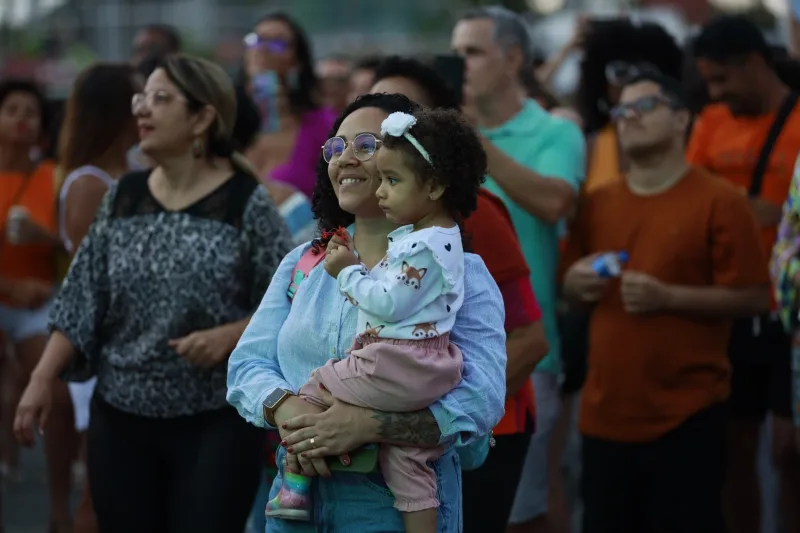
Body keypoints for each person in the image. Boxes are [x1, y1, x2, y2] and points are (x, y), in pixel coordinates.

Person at [14, 54, 294, 533]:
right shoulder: (123, 196)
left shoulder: (245, 202)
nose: (142, 109)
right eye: (140, 98)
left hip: (215, 422)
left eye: (160, 99)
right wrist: (42, 377)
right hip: (120, 418)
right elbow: (82, 294)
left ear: (202, 117)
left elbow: (293, 297)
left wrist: (232, 334)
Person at [227, 93, 507, 533]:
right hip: (295, 496)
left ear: (420, 169)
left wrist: (370, 425)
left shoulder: (461, 273)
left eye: (366, 145)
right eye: (336, 148)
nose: (346, 159)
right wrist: (294, 413)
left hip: (395, 504)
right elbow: (247, 364)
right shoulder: (305, 261)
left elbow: (482, 397)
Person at [562, 72, 770, 533]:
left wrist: (669, 297)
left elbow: (757, 297)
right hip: (603, 416)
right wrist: (576, 285)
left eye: (644, 106)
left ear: (681, 119)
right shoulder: (597, 202)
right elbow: (569, 291)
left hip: (688, 416)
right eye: (620, 111)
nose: (628, 117)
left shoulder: (722, 201)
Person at [371, 55, 549, 532]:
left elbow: (531, 340)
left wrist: (443, 412)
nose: (386, 126)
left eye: (401, 110)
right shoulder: (379, 222)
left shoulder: (469, 218)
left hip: (486, 432)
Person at [450, 7, 585, 532]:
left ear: (512, 59)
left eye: (473, 52)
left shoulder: (554, 132)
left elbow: (554, 203)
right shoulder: (439, 135)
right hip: (439, 351)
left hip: (526, 348)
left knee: (521, 511)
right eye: (456, 52)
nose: (461, 63)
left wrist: (474, 146)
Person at [688, 15, 800, 533]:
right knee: (734, 449)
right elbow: (691, 197)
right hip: (729, 307)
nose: (715, 93)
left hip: (789, 315)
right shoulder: (711, 121)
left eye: (721, 79)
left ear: (754, 64)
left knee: (789, 450)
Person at [55, 62, 141, 533]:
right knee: (97, 486)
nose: (145, 108)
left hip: (130, 345)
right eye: (137, 98)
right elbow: (90, 278)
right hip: (104, 345)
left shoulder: (131, 170)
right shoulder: (90, 183)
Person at [0, 79, 77, 533]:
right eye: (10, 108)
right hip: (8, 293)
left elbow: (73, 246)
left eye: (30, 110)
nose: (21, 118)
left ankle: (58, 506)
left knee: (59, 395)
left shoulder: (55, 176)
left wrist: (42, 237)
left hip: (37, 301)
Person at [239, 11, 336, 195]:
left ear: (297, 61)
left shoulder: (323, 125)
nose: (263, 50)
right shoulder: (224, 119)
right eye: (257, 40)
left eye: (277, 43)